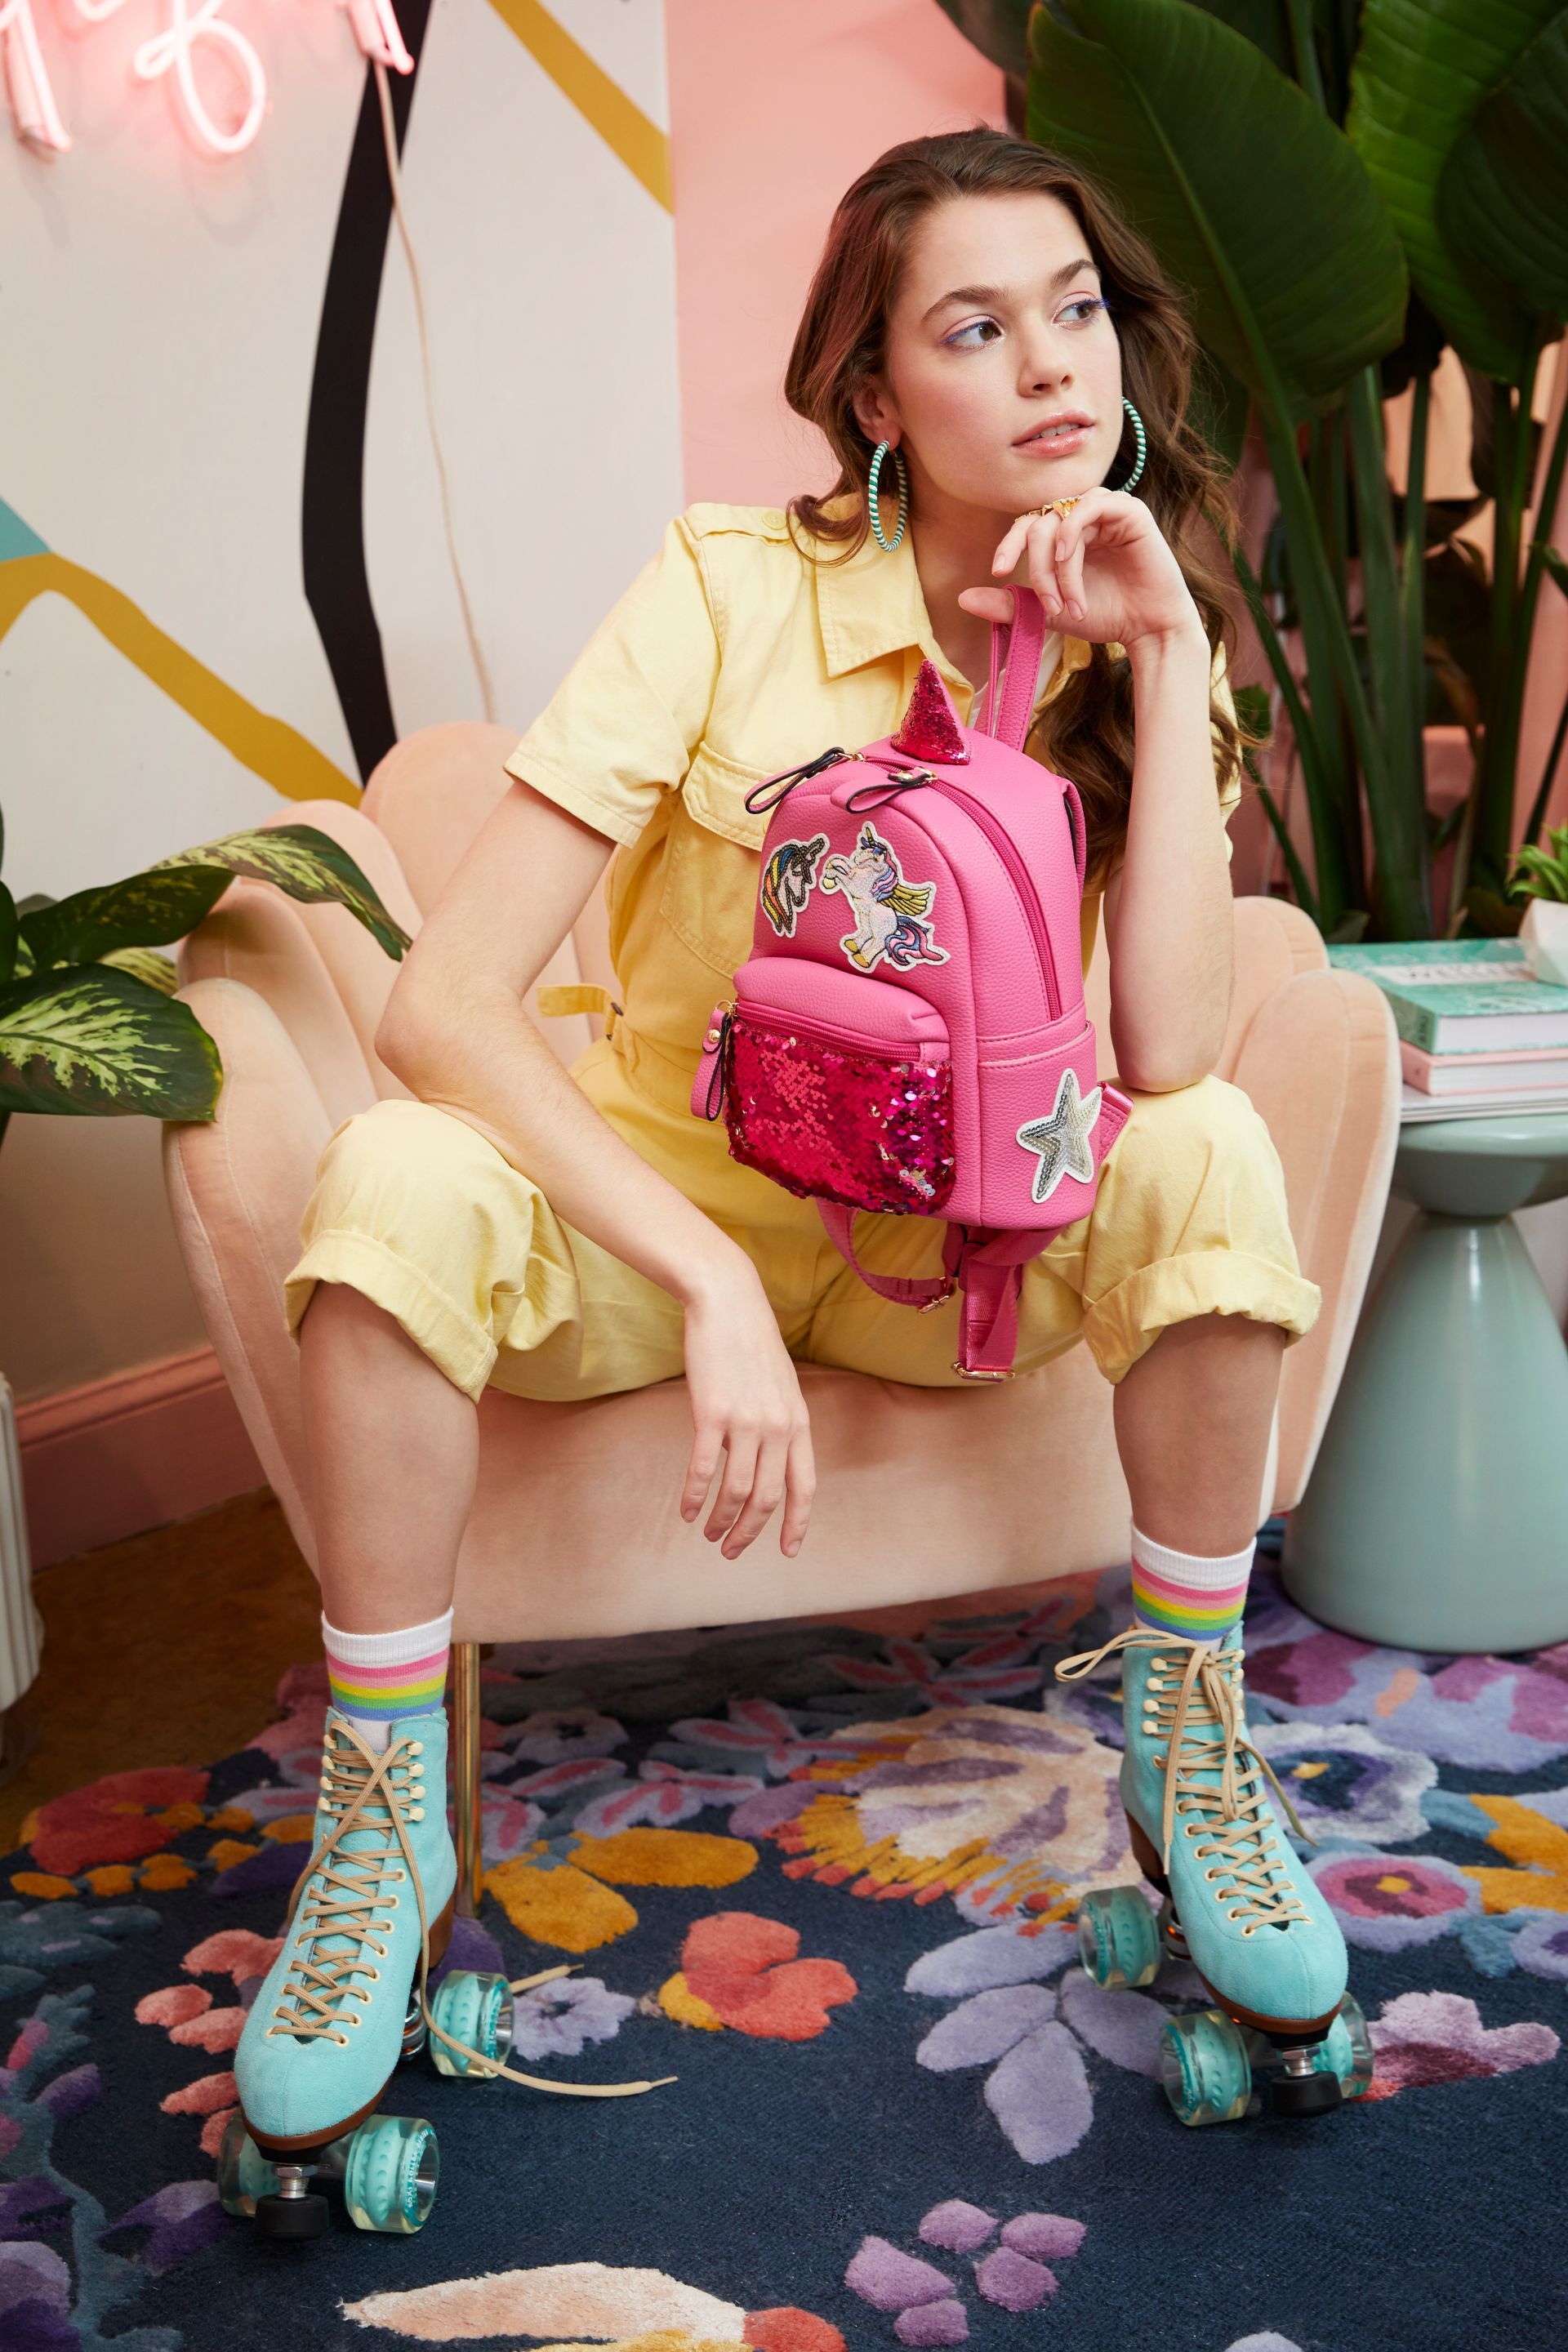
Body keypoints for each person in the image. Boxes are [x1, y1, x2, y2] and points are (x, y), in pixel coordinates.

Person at [234, 128, 1349, 2162]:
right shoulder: (720, 591)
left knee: (1213, 1155)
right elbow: (441, 1001)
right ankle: (382, 1831)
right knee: (392, 1170)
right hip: (672, 1228)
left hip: (966, 1266)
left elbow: (1172, 1045)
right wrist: (711, 1273)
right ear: (874, 397)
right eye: (975, 326)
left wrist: (1171, 652)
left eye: (1077, 309)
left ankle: (1194, 1754)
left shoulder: (1124, 615)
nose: (1051, 367)